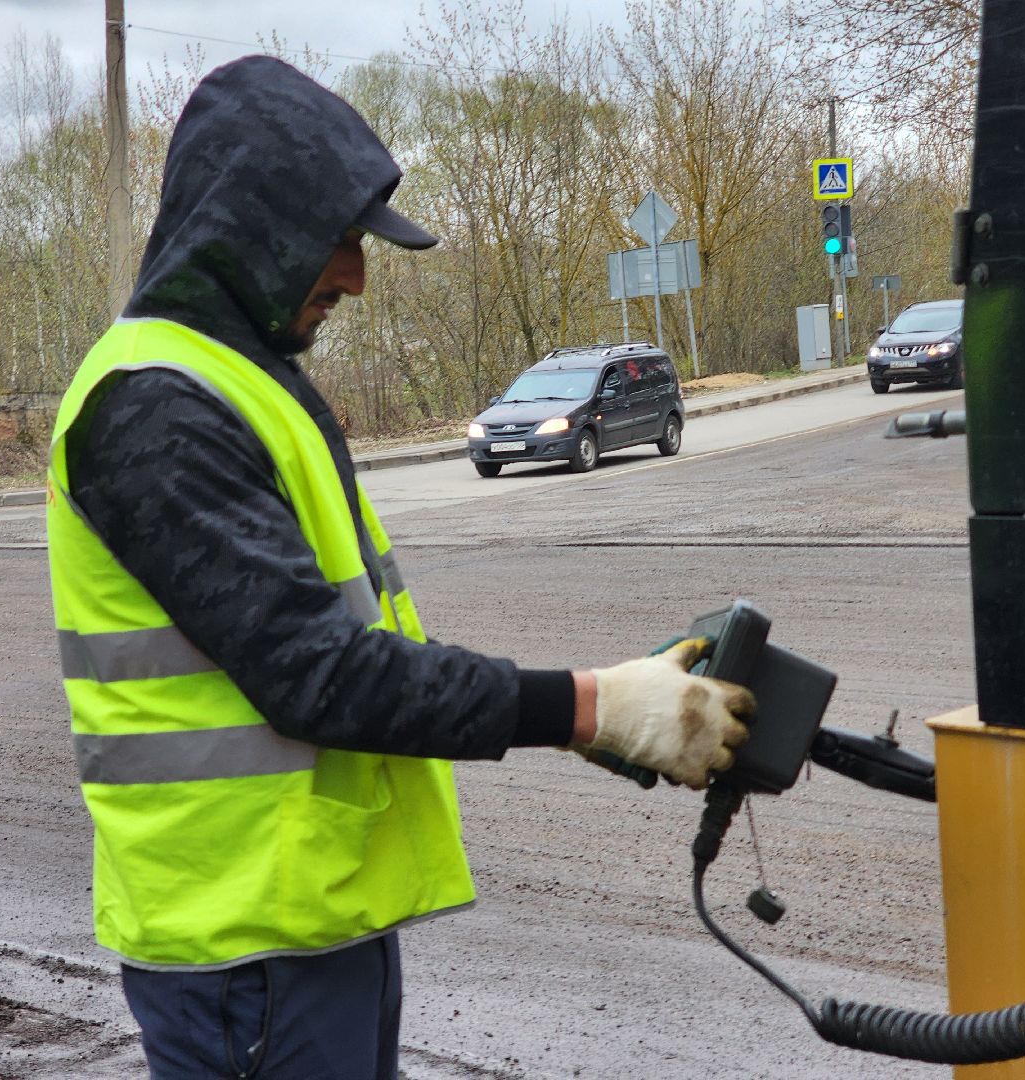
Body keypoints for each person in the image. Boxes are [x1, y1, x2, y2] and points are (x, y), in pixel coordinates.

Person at [45, 55, 752, 1080]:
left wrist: (589, 712)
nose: (356, 277)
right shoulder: (157, 404)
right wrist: (589, 708)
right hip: (246, 955)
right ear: (254, 226)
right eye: (338, 241)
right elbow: (319, 674)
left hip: (305, 937)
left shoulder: (241, 384)